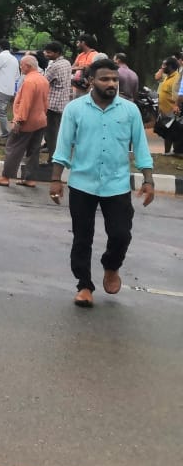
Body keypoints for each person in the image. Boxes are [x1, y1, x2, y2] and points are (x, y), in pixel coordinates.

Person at [50, 58, 155, 308]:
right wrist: (55, 179)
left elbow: (141, 147)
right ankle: (84, 285)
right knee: (82, 237)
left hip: (116, 185)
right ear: (90, 81)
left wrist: (148, 179)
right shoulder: (75, 109)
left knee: (120, 235)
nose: (111, 84)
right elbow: (63, 146)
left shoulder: (130, 111)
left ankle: (111, 266)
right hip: (82, 184)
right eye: (105, 79)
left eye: (115, 80)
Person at [0, 55, 50, 188]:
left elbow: (25, 103)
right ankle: (30, 179)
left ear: (28, 66)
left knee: (13, 148)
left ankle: (5, 177)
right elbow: (45, 102)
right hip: (41, 120)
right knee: (34, 150)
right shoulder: (43, 80)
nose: (20, 67)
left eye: (22, 65)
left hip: (27, 122)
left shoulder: (29, 81)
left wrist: (19, 121)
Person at [42, 42, 72, 160]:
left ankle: (53, 157)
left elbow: (44, 81)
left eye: (49, 52)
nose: (46, 54)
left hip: (52, 104)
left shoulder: (55, 66)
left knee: (51, 133)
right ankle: (56, 155)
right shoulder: (67, 63)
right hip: (62, 102)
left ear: (57, 53)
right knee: (58, 131)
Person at [0, 40, 20, 142]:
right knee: (2, 111)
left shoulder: (1, 56)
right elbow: (17, 76)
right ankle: (5, 134)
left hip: (0, 88)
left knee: (0, 112)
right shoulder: (13, 58)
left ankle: (5, 134)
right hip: (8, 89)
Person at [154, 58, 180, 155]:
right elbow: (157, 77)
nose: (162, 67)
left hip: (172, 112)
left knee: (172, 134)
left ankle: (175, 153)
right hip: (164, 112)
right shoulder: (167, 77)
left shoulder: (176, 79)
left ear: (170, 66)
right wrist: (162, 68)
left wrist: (176, 106)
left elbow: (178, 95)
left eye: (164, 65)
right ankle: (167, 152)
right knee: (166, 134)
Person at [70, 34, 106, 98]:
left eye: (78, 42)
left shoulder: (95, 55)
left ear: (83, 42)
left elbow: (95, 71)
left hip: (88, 89)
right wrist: (81, 68)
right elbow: (72, 68)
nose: (76, 45)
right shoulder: (80, 55)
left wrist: (81, 68)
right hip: (77, 87)